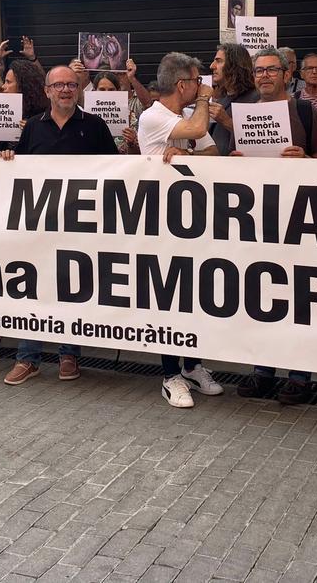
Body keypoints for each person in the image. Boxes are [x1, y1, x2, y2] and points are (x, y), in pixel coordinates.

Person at [0, 66, 118, 386]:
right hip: (40, 225)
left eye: (71, 84)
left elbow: (118, 171)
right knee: (34, 289)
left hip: (80, 226)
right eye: (59, 85)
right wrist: (9, 156)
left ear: (78, 90)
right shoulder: (34, 128)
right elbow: (19, 168)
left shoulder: (94, 126)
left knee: (71, 290)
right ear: (47, 91)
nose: (65, 90)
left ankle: (68, 353)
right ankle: (28, 357)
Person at [235, 48, 317, 406]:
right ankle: (263, 371)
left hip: (298, 218)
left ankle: (301, 377)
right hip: (257, 218)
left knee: (299, 298)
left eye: (272, 70)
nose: (265, 76)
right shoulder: (240, 113)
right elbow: (229, 159)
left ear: (287, 74)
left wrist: (305, 159)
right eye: (259, 71)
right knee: (262, 297)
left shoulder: (303, 109)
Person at [136, 53, 224, 408]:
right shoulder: (153, 115)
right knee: (168, 296)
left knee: (193, 294)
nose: (202, 85)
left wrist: (188, 157)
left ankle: (193, 366)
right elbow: (201, 132)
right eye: (197, 80)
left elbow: (214, 151)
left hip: (192, 220)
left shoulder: (185, 116)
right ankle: (170, 374)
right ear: (182, 85)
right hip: (160, 220)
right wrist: (204, 99)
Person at [208, 43, 258, 157]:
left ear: (234, 65)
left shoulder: (256, 100)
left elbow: (259, 140)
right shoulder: (222, 99)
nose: (212, 66)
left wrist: (227, 122)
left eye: (219, 61)